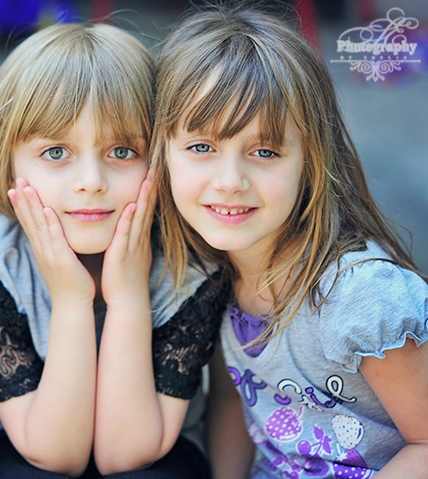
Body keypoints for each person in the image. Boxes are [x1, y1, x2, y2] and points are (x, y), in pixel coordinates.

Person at [150, 6, 428, 478]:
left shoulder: (359, 298)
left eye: (264, 152)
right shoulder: (216, 277)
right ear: (163, 154)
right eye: (202, 147)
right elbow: (231, 401)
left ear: (312, 161)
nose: (231, 180)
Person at [0, 22, 229, 479]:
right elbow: (55, 455)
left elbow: (127, 454)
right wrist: (74, 301)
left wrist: (130, 296)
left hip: (155, 451)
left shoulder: (191, 270)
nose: (91, 181)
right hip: (33, 446)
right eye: (56, 153)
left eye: (121, 151)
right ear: (7, 160)